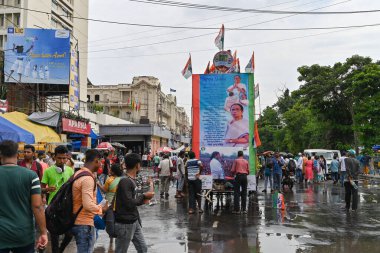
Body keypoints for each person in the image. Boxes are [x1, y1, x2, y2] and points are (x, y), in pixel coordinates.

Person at [0, 140, 48, 252]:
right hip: (23, 234)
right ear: (17, 154)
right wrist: (43, 232)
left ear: (0, 154)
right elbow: (37, 206)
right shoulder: (31, 176)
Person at [114, 153, 154, 253]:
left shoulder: (131, 179)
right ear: (137, 165)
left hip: (134, 220)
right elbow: (129, 202)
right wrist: (144, 196)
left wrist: (143, 199)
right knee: (121, 251)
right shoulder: (125, 181)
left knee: (143, 248)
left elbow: (133, 200)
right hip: (125, 223)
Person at [71, 149, 108, 253]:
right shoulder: (87, 178)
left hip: (78, 221)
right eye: (101, 161)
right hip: (84, 224)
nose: (101, 164)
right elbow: (87, 205)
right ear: (96, 160)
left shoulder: (79, 173)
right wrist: (102, 209)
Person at [41, 145, 74, 253]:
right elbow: (41, 188)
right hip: (53, 208)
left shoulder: (70, 171)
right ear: (54, 157)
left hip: (67, 207)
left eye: (64, 158)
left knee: (69, 234)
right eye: (59, 158)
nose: (62, 160)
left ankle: (60, 250)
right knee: (54, 236)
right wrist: (47, 190)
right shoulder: (48, 171)